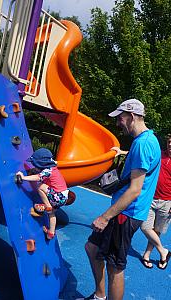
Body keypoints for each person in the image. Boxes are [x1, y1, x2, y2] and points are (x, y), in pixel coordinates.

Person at [79, 99, 161, 300]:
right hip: (127, 211)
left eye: (120, 118)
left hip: (126, 213)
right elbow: (142, 164)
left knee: (114, 266)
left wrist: (105, 217)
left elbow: (134, 190)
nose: (118, 123)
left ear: (131, 116)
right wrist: (122, 153)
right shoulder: (149, 139)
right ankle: (100, 296)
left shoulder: (142, 144)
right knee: (92, 248)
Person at [16, 147, 69, 240]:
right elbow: (42, 172)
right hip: (63, 197)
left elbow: (38, 177)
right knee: (52, 214)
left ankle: (47, 205)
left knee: (41, 187)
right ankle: (51, 233)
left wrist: (24, 177)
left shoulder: (48, 171)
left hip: (58, 196)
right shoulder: (52, 167)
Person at [141, 134, 171, 269]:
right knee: (145, 227)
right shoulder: (160, 154)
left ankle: (146, 254)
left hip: (167, 202)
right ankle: (163, 251)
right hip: (151, 198)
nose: (170, 145)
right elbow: (141, 155)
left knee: (157, 231)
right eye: (169, 142)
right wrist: (121, 152)